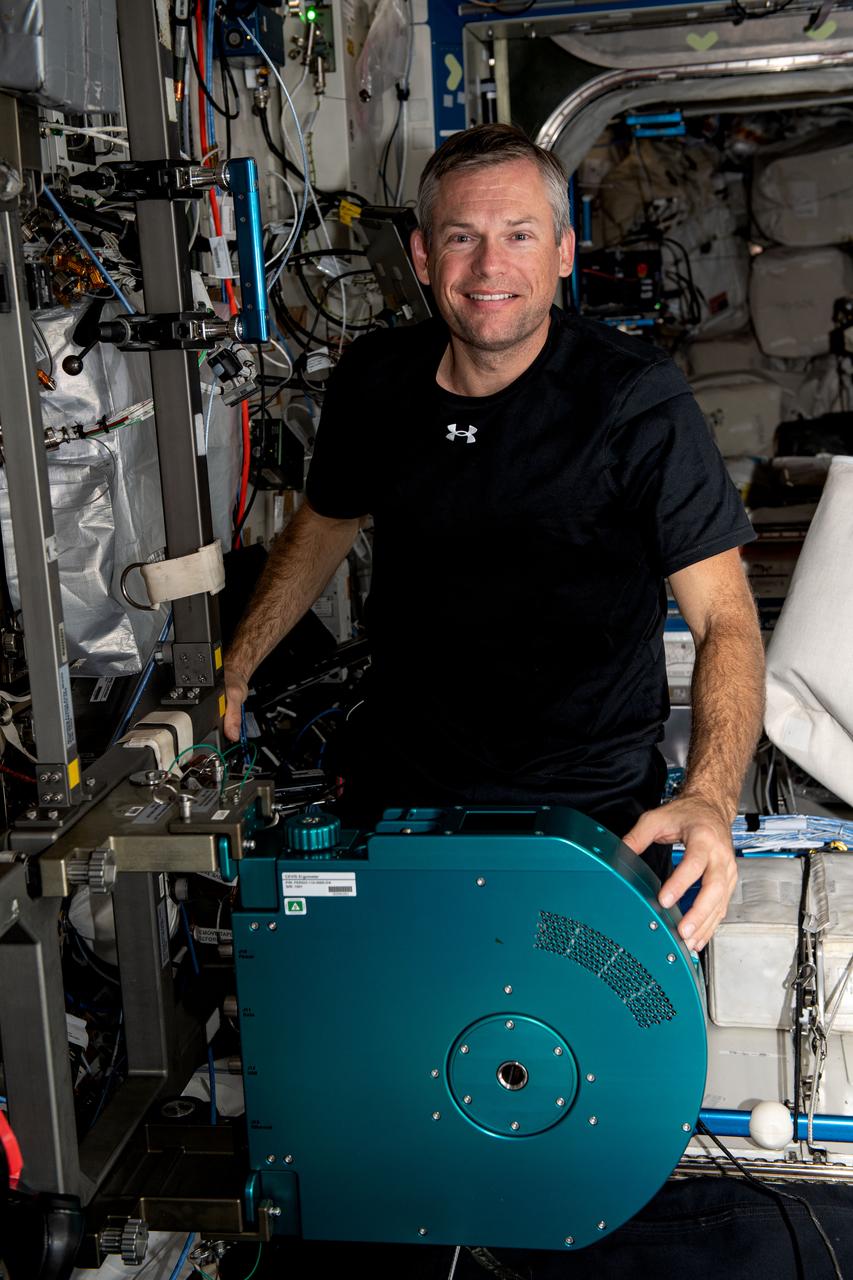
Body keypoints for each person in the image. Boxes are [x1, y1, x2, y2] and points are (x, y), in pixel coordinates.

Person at [225, 124, 765, 953]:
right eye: (461, 239)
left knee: (578, 1043)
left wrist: (709, 801)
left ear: (561, 252)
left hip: (585, 806)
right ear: (419, 255)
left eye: (518, 236)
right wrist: (239, 663)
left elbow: (725, 619)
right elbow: (324, 525)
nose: (488, 268)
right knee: (389, 1029)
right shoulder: (376, 382)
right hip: (403, 794)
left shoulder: (634, 402)